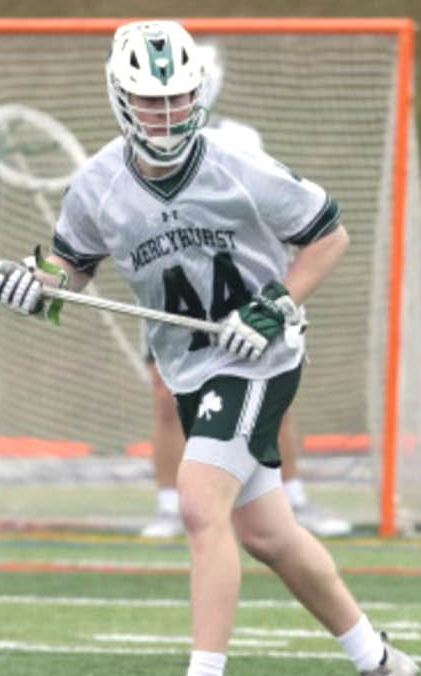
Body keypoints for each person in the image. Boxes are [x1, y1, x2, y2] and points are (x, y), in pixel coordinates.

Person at [0, 20, 417, 676]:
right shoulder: (97, 184)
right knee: (269, 535)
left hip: (258, 358)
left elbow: (328, 234)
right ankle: (380, 661)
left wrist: (276, 303)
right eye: (151, 101)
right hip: (189, 368)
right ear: (122, 99)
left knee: (196, 502)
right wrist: (30, 284)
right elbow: (69, 271)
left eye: (179, 98)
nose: (167, 113)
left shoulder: (237, 165)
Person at [140, 41, 352, 540]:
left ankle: (293, 498)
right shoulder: (135, 150)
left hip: (243, 284)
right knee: (168, 396)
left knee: (272, 390)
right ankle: (171, 503)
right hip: (175, 288)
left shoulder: (238, 140)